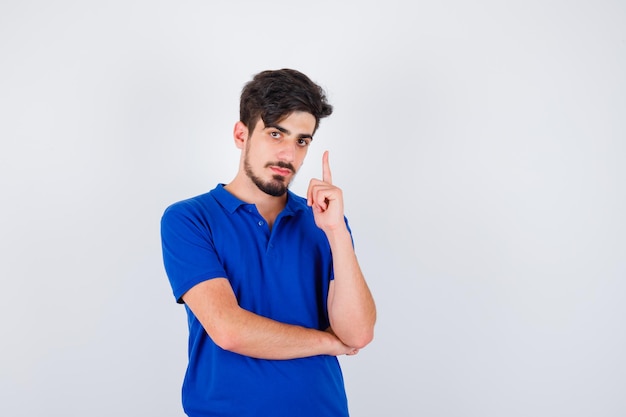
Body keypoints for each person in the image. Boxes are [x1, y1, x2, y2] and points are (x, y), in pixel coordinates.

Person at [160, 68, 376, 417]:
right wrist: (328, 342)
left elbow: (359, 332)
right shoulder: (190, 219)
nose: (289, 154)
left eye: (301, 141)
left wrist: (337, 231)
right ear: (240, 134)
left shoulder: (324, 222)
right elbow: (229, 330)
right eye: (276, 134)